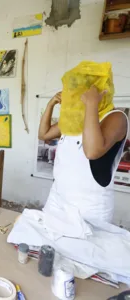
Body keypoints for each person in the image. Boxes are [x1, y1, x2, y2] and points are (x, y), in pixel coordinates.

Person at [39, 86, 128, 222]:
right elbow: (44, 134)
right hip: (57, 199)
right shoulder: (75, 119)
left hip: (89, 207)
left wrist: (92, 104)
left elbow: (92, 152)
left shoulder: (116, 117)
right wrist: (50, 104)